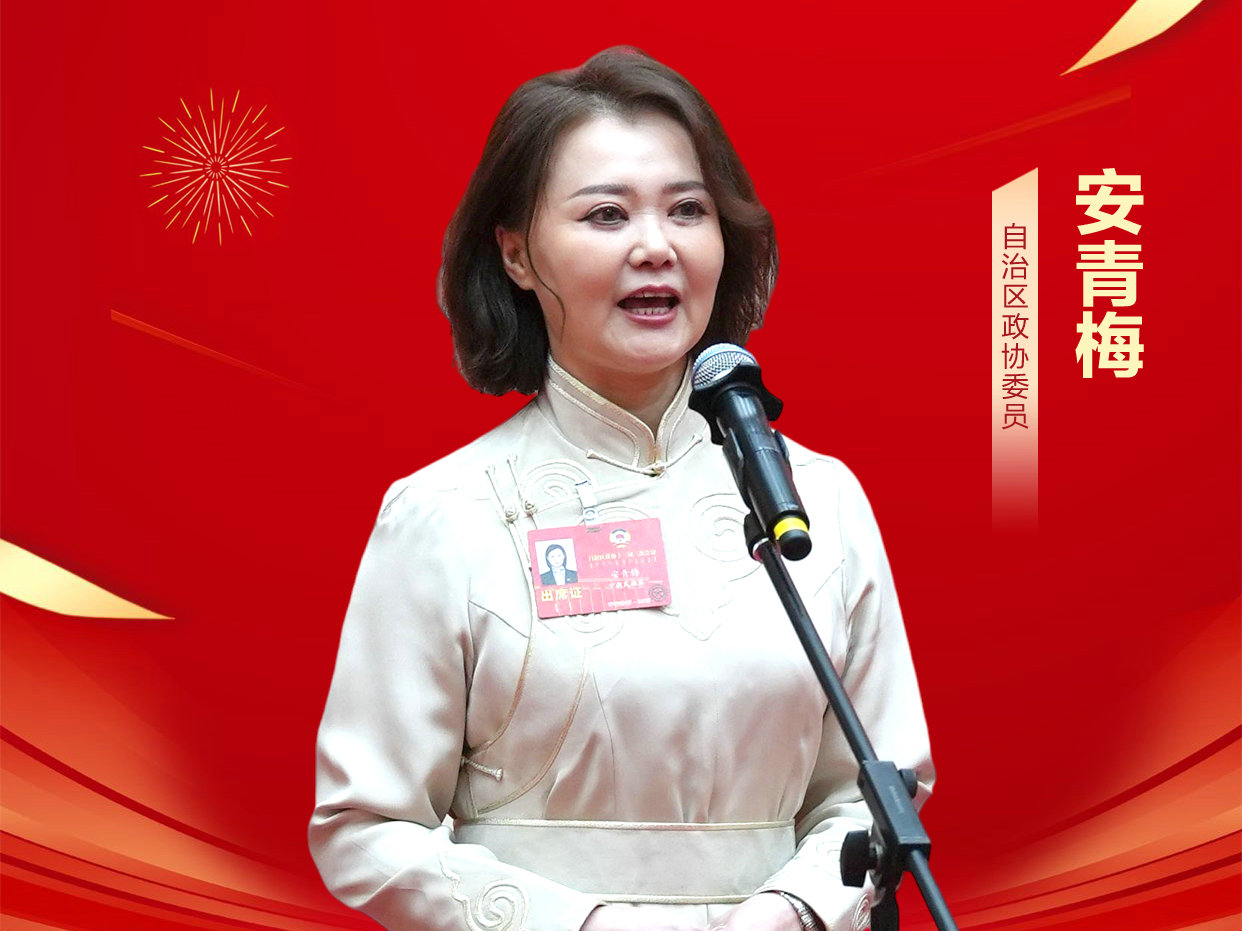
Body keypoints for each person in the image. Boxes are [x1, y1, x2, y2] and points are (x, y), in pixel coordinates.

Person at [309, 47, 933, 931]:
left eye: (688, 210)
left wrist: (790, 912)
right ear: (517, 254)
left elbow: (875, 791)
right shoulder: (444, 514)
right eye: (606, 214)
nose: (656, 247)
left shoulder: (817, 500)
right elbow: (366, 829)